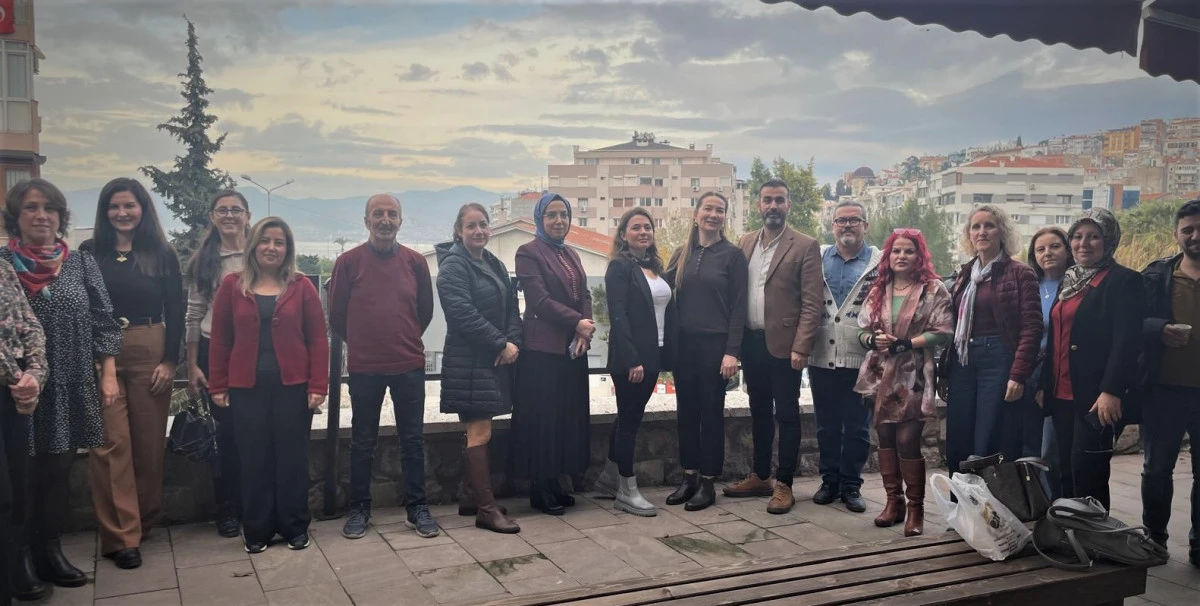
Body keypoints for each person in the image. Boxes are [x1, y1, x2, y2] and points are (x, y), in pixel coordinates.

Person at [0, 178, 122, 592]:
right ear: (15, 217)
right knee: (21, 477)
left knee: (58, 473)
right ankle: (17, 558)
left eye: (50, 208)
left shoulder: (80, 263)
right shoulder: (3, 264)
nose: (42, 216)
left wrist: (108, 373)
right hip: (20, 390)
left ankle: (48, 550)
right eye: (31, 208)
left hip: (72, 383)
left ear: (61, 217)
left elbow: (104, 320)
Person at [80, 178, 184, 570]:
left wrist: (170, 362)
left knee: (147, 442)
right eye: (114, 206)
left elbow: (176, 309)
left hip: (149, 348)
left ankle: (143, 518)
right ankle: (121, 537)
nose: (122, 213)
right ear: (104, 212)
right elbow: (84, 307)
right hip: (101, 354)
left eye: (129, 205)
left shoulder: (161, 253)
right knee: (110, 443)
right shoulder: (90, 252)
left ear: (143, 209)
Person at [208, 217, 328, 553]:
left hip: (293, 388)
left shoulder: (301, 286)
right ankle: (257, 529)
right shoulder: (232, 286)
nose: (271, 248)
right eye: (265, 241)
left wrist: (318, 385)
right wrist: (218, 384)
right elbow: (220, 339)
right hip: (246, 390)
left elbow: (318, 339)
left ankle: (294, 526)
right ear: (253, 245)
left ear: (287, 249)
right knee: (253, 459)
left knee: (292, 459)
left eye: (279, 242)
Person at [327, 194, 437, 539]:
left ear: (400, 222)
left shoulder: (416, 263)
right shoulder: (348, 263)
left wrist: (401, 338)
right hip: (365, 367)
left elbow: (424, 312)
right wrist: (365, 342)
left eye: (391, 214)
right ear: (366, 221)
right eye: (378, 214)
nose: (385, 220)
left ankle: (417, 508)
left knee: (412, 441)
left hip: (408, 364)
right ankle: (359, 508)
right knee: (362, 442)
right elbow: (337, 316)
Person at [723, 179, 822, 515]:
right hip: (752, 344)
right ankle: (761, 475)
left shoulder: (805, 245)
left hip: (785, 346)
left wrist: (802, 346)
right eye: (767, 200)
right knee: (760, 412)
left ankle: (784, 484)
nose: (773, 206)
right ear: (759, 205)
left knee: (788, 415)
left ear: (788, 205)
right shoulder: (745, 242)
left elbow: (812, 303)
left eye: (780, 200)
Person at [855, 229, 954, 537]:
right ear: (888, 256)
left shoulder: (933, 288)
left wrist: (907, 343)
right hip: (880, 373)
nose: (901, 256)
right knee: (885, 438)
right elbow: (861, 330)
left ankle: (916, 509)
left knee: (908, 440)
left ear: (919, 255)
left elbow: (944, 330)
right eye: (896, 251)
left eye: (909, 251)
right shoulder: (879, 288)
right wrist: (873, 340)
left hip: (914, 373)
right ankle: (893, 503)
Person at [1042, 209, 1143, 509]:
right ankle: (1067, 529)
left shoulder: (1123, 281)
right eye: (1077, 236)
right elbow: (1057, 337)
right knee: (1063, 469)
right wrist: (1044, 385)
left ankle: (1093, 533)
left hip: (1096, 396)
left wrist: (1111, 390)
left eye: (1093, 236)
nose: (1083, 244)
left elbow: (1127, 342)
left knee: (1089, 472)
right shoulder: (1070, 279)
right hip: (1060, 392)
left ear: (1108, 240)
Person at [434, 204, 521, 534]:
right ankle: (486, 509)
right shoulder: (453, 265)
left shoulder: (492, 262)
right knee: (480, 432)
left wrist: (512, 342)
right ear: (459, 231)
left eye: (483, 224)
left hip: (491, 360)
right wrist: (500, 344)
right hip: (469, 363)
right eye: (471, 225)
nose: (479, 230)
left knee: (480, 430)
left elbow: (511, 307)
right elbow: (462, 314)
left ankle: (471, 497)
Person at [509, 193, 594, 516]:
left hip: (571, 348)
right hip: (542, 351)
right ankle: (539, 487)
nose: (559, 221)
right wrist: (577, 323)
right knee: (543, 419)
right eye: (552, 215)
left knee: (564, 418)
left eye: (564, 215)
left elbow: (584, 294)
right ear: (539, 219)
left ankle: (556, 480)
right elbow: (539, 301)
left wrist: (584, 327)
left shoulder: (570, 252)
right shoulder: (528, 252)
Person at [663, 192, 747, 512]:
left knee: (711, 415)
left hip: (716, 347)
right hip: (684, 346)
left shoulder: (733, 256)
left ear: (725, 216)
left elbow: (739, 307)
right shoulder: (681, 254)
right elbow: (660, 291)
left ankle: (708, 481)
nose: (713, 214)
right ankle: (689, 476)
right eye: (708, 209)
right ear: (696, 214)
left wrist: (732, 352)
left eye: (720, 210)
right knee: (686, 413)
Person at [945, 205, 1042, 475]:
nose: (982, 232)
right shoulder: (965, 275)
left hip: (999, 359)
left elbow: (1032, 327)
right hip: (963, 360)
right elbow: (953, 325)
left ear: (1002, 232)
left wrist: (1018, 375)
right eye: (975, 227)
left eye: (989, 225)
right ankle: (961, 497)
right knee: (959, 435)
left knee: (990, 438)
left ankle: (992, 498)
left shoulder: (1020, 273)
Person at [595, 207, 677, 517]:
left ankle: (608, 479)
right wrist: (632, 359)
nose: (643, 232)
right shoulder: (619, 267)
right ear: (623, 234)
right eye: (636, 227)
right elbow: (618, 316)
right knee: (630, 423)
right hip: (632, 360)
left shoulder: (655, 268)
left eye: (647, 227)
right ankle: (626, 491)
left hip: (654, 354)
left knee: (628, 417)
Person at [184, 189, 250, 538]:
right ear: (212, 217)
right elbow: (194, 315)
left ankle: (255, 503)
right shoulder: (204, 261)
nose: (229, 215)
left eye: (236, 209)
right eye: (222, 210)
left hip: (257, 353)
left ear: (247, 216)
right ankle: (228, 507)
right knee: (224, 435)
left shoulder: (261, 252)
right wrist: (193, 365)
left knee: (256, 431)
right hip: (216, 353)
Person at [809, 201, 881, 513]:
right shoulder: (817, 257)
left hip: (861, 358)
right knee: (826, 425)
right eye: (841, 220)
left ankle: (851, 485)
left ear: (866, 225)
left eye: (854, 220)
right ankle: (829, 481)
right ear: (832, 226)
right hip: (821, 354)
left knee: (858, 427)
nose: (847, 225)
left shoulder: (880, 262)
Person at [1139, 198, 1200, 567]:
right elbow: (1131, 319)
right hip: (1163, 390)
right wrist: (1159, 328)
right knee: (1157, 469)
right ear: (1176, 234)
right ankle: (1154, 540)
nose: (1195, 236)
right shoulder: (1157, 275)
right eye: (1188, 229)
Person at [0, 260, 47, 604]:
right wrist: (19, 377)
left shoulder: (3, 269)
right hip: (12, 383)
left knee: (14, 496)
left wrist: (35, 372)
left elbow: (29, 324)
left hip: (10, 395)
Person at [1025, 227, 1074, 498]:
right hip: (1026, 371)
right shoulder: (1029, 285)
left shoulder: (1075, 285)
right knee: (1027, 446)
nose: (1048, 253)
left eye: (1055, 246)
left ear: (1067, 249)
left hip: (1057, 373)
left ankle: (1056, 505)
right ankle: (1032, 505)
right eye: (1040, 249)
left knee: (1050, 448)